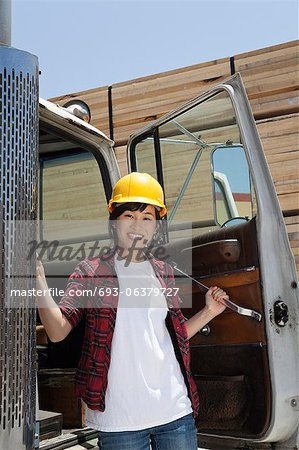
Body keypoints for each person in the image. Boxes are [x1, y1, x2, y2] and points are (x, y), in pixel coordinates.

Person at [36, 172, 229, 450]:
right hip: (120, 420)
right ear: (115, 221)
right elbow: (56, 332)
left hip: (174, 411)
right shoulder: (91, 272)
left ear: (156, 226)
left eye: (147, 218)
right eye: (129, 216)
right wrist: (39, 280)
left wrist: (209, 311)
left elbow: (174, 336)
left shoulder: (163, 271)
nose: (138, 225)